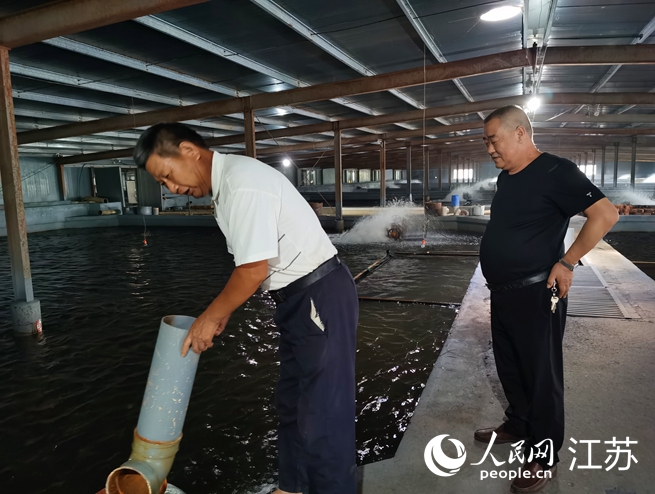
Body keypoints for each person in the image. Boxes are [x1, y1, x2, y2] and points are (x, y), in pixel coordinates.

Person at [133, 123, 359, 494]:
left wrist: (212, 317)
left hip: (318, 297)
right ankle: (292, 487)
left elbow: (252, 270)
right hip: (296, 301)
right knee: (293, 404)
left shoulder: (242, 185)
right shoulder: (228, 188)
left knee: (323, 415)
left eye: (169, 175)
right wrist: (220, 313)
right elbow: (257, 269)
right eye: (163, 184)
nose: (173, 189)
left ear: (189, 151)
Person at [477, 106, 618, 493]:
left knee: (541, 374)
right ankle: (519, 423)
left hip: (538, 291)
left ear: (520, 133)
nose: (489, 148)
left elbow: (605, 214)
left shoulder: (557, 172)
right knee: (509, 364)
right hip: (503, 292)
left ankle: (542, 455)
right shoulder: (507, 178)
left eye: (494, 139)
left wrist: (567, 262)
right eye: (486, 141)